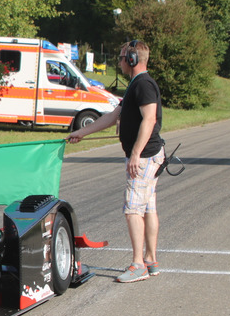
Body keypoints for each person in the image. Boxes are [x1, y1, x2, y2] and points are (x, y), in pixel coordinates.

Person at [68, 40, 164, 283]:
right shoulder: (136, 85)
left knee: (133, 209)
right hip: (148, 156)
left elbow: (149, 119)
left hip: (143, 157)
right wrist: (82, 132)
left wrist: (135, 154)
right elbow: (113, 117)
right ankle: (150, 260)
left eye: (122, 57)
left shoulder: (143, 85)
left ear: (132, 60)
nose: (119, 61)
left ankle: (138, 265)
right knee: (148, 208)